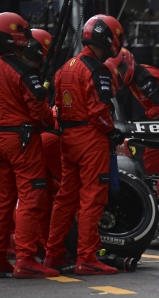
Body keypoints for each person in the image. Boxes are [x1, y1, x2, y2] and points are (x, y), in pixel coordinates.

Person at [44, 14, 125, 275]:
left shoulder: (65, 67)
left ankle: (53, 254)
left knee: (66, 197)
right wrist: (112, 132)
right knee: (92, 198)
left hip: (69, 140)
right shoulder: (96, 70)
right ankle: (87, 257)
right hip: (91, 140)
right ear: (109, 39)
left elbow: (57, 106)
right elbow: (99, 111)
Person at [0, 12, 58, 278]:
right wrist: (49, 120)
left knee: (3, 200)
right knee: (32, 197)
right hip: (21, 140)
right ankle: (25, 258)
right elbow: (38, 106)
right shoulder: (21, 69)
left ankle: (2, 258)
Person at [106, 47, 159, 174]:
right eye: (117, 71)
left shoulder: (143, 76)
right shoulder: (133, 81)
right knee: (148, 166)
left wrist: (142, 119)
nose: (120, 74)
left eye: (121, 69)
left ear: (128, 63)